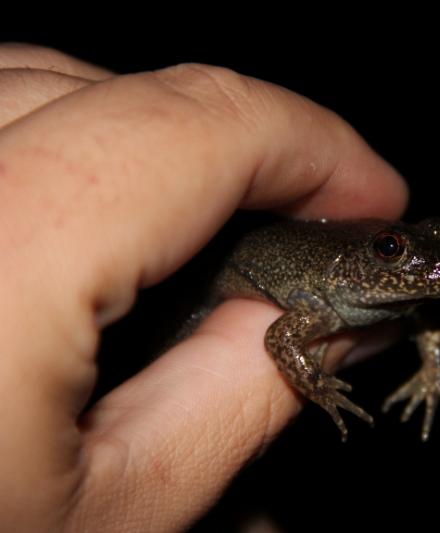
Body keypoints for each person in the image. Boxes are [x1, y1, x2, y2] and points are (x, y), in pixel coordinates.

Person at [0, 44, 408, 532]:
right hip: (221, 276)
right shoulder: (320, 309)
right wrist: (318, 385)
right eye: (390, 250)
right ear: (365, 260)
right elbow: (279, 338)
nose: (428, 268)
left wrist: (434, 363)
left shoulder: (404, 298)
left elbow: (423, 318)